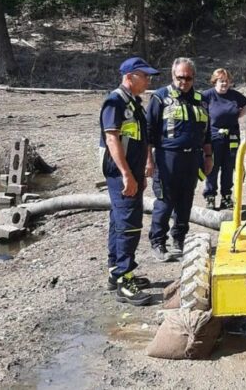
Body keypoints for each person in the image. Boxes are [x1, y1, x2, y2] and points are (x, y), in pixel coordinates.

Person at [99, 56, 160, 306]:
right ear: (129, 77)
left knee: (118, 220)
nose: (148, 80)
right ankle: (125, 279)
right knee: (128, 223)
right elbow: (112, 139)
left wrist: (146, 163)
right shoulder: (114, 102)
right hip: (120, 173)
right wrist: (126, 174)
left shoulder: (134, 103)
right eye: (144, 75)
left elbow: (141, 137)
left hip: (132, 172)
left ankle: (116, 271)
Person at [147, 57, 213, 262]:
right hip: (167, 158)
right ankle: (158, 242)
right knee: (165, 202)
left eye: (188, 78)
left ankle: (180, 238)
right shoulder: (160, 98)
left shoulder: (201, 100)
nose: (183, 82)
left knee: (186, 202)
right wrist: (148, 161)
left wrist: (209, 157)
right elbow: (149, 132)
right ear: (172, 75)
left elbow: (207, 134)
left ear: (193, 78)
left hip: (192, 158)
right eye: (179, 77)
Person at [202, 68, 246, 210]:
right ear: (215, 81)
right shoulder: (207, 95)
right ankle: (210, 197)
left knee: (228, 168)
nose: (224, 84)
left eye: (227, 82)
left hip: (232, 138)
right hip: (213, 137)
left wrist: (238, 115)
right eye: (222, 81)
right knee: (212, 168)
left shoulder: (235, 96)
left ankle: (226, 197)